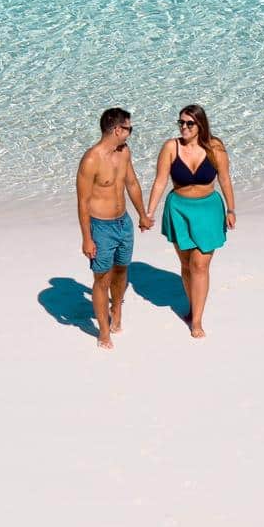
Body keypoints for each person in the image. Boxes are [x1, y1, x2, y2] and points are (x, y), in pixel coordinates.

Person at [145, 104, 236, 338]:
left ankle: (196, 320)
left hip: (209, 210)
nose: (183, 127)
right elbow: (160, 181)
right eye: (181, 123)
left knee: (200, 264)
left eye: (189, 123)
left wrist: (231, 209)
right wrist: (149, 213)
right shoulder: (170, 147)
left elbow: (225, 179)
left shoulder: (215, 147)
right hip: (179, 210)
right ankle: (192, 306)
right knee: (186, 264)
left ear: (200, 125)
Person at [76, 107, 152, 350]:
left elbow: (131, 182)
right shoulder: (91, 159)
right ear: (117, 129)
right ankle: (104, 330)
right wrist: (87, 238)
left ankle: (116, 306)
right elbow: (83, 202)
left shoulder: (124, 152)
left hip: (124, 222)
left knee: (121, 271)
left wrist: (142, 214)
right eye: (129, 128)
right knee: (102, 278)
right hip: (101, 227)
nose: (130, 133)